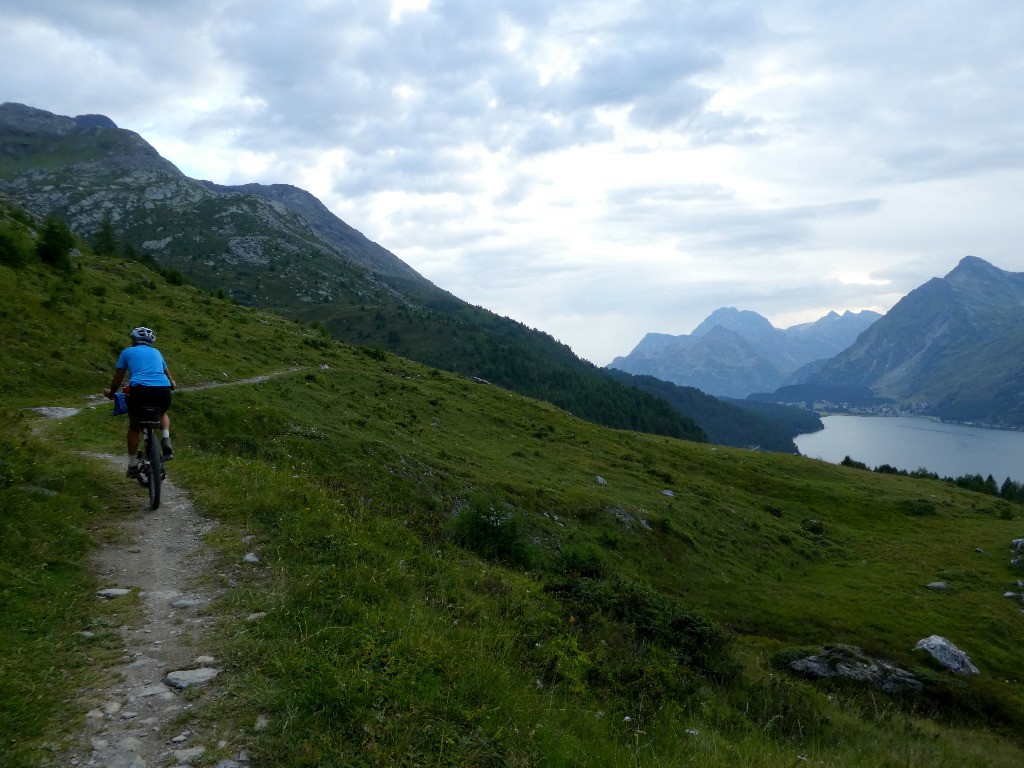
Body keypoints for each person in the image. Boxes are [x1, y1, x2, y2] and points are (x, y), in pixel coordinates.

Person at [104, 326, 176, 478]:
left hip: (140, 390)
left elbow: (118, 377)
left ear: (133, 340)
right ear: (150, 341)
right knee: (162, 412)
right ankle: (165, 438)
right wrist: (172, 382)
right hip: (162, 389)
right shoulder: (156, 352)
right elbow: (167, 374)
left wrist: (111, 392)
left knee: (135, 426)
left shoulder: (127, 352)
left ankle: (132, 465)